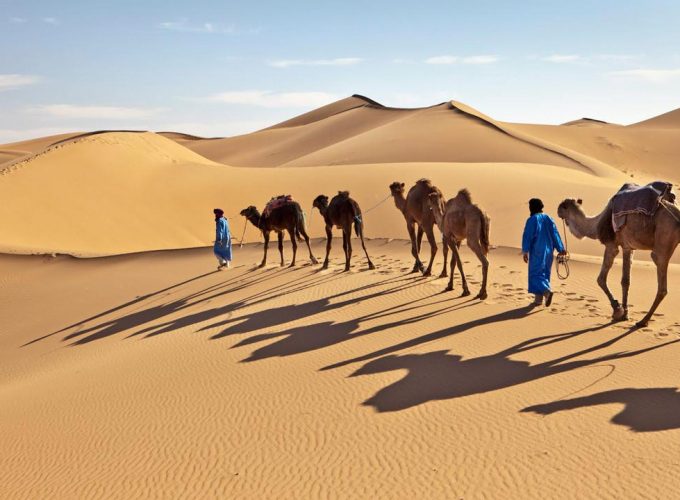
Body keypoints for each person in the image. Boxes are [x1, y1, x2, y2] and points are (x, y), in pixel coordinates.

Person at [521, 198, 566, 306]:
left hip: (537, 251)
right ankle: (538, 300)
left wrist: (525, 250)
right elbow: (555, 233)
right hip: (549, 251)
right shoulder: (549, 218)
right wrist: (561, 248)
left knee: (535, 274)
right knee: (544, 273)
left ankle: (547, 292)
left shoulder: (532, 219)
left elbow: (527, 236)